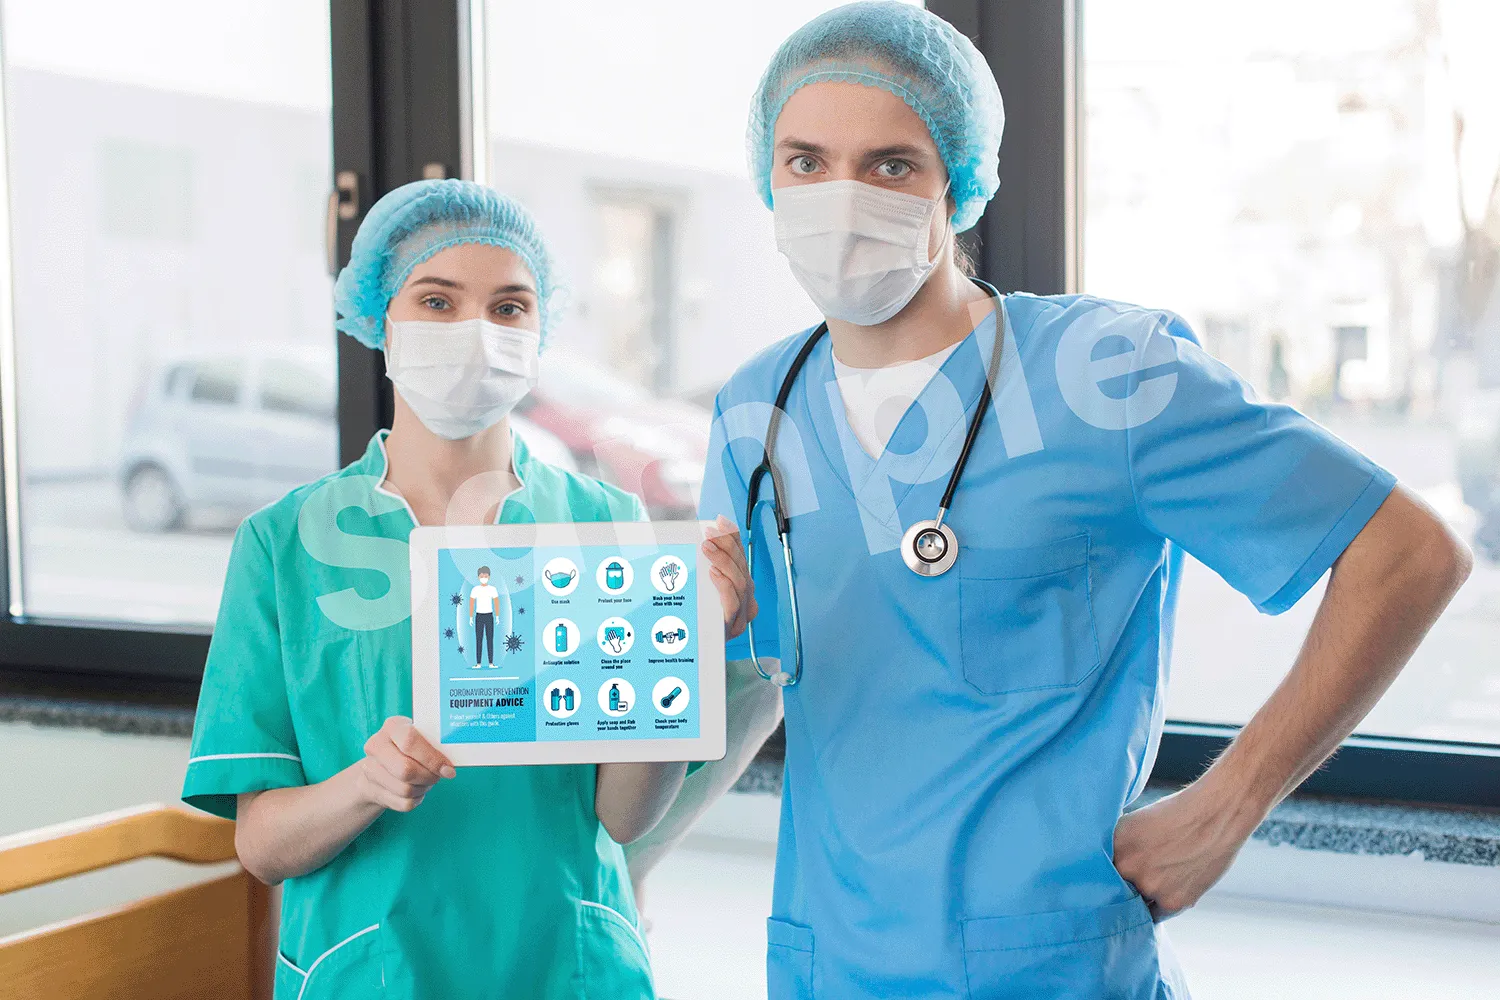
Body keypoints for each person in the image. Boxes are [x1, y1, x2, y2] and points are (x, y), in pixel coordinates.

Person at [693, 4, 1473, 998]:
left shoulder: (1107, 374)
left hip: (1053, 965)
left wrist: (1225, 805)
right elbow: (749, 683)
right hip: (827, 962)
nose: (839, 199)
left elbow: (1409, 554)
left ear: (960, 183)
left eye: (890, 165)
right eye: (806, 161)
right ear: (769, 173)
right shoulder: (754, 412)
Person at [180, 179, 755, 1000]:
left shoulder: (606, 525)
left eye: (510, 307)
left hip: (570, 966)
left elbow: (625, 818)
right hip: (374, 973)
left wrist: (686, 636)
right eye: (438, 301)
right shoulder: (284, 545)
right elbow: (263, 848)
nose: (476, 333)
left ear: (542, 329)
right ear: (379, 318)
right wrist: (365, 786)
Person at [469, 565, 498, 668]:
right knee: (479, 639)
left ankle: (491, 663)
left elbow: (496, 603)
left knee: (490, 639)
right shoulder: (475, 589)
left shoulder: (493, 589)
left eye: (485, 576)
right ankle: (478, 663)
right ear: (478, 577)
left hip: (489, 615)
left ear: (489, 577)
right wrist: (470, 617)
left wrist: (497, 616)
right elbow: (471, 603)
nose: (484, 578)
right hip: (479, 616)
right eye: (482, 576)